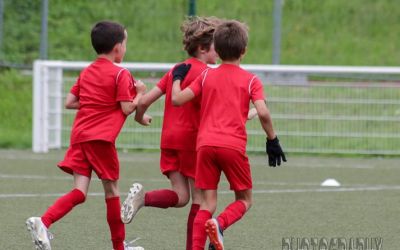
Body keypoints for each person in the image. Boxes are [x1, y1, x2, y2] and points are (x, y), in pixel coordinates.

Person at [25, 21, 148, 250]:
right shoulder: (121, 73)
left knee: (79, 192)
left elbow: (69, 102)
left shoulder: (87, 71)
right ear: (117, 48)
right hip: (100, 140)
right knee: (112, 192)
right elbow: (126, 108)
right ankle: (119, 247)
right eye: (125, 43)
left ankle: (43, 221)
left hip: (80, 136)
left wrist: (96, 102)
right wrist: (140, 93)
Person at [171, 20, 287, 250]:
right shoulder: (251, 80)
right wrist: (272, 139)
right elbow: (263, 110)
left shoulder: (205, 76)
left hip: (204, 146)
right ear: (244, 51)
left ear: (217, 47)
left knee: (207, 203)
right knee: (244, 200)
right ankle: (220, 224)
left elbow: (177, 99)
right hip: (232, 146)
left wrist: (177, 78)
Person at [120, 16, 221, 250]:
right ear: (204, 47)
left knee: (181, 196)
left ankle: (143, 199)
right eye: (216, 46)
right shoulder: (208, 74)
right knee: (201, 200)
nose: (219, 51)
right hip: (192, 142)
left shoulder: (176, 70)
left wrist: (139, 116)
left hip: (169, 140)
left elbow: (144, 101)